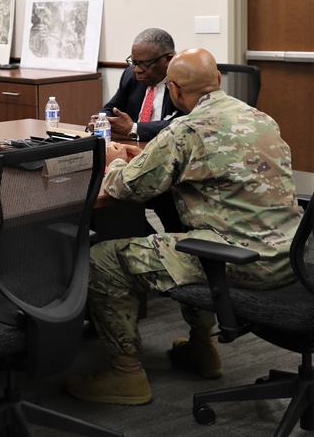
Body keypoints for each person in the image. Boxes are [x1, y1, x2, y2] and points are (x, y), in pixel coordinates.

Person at [65, 48, 302, 406]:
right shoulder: (261, 118)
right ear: (219, 80)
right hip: (292, 257)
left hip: (240, 262)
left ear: (174, 90)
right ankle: (201, 348)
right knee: (189, 241)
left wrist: (115, 163)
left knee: (103, 258)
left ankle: (126, 375)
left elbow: (128, 188)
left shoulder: (186, 129)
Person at [88, 28, 182, 142]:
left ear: (168, 60)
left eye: (143, 64)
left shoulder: (183, 81)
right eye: (134, 63)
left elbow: (184, 124)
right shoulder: (130, 76)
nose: (136, 70)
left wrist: (134, 128)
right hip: (132, 146)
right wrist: (100, 121)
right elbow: (111, 108)